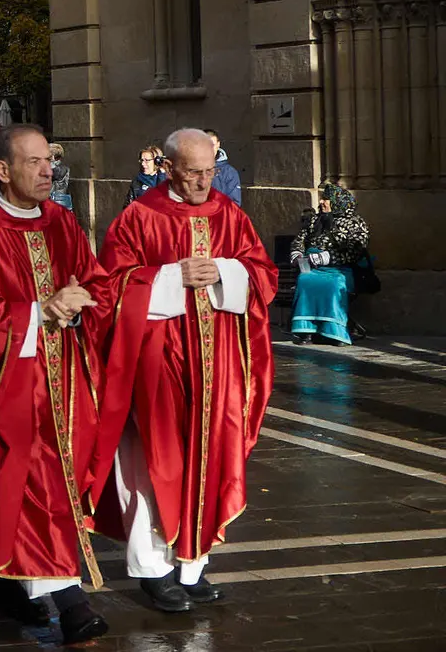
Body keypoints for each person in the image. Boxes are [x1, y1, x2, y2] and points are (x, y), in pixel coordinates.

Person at [0, 123, 111, 644]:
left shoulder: (63, 223)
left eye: (49, 159)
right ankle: (73, 604)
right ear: (3, 171)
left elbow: (92, 283)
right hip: (7, 385)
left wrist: (81, 304)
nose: (48, 169)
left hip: (64, 383)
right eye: (34, 162)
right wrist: (39, 311)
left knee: (45, 484)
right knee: (31, 484)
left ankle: (2, 585)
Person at [92, 128, 277, 613]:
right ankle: (153, 569)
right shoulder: (140, 216)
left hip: (219, 366)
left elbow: (263, 275)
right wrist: (171, 277)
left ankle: (193, 565)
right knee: (153, 463)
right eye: (192, 172)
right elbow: (109, 287)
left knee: (211, 457)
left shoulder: (230, 215)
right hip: (159, 364)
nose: (201, 182)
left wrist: (226, 272)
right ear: (169, 167)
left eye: (209, 171)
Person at [290, 182, 370, 345]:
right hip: (312, 268)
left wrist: (325, 257)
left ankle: (333, 332)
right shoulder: (314, 221)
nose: (321, 202)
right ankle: (306, 330)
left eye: (325, 199)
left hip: (340, 270)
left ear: (337, 201)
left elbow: (356, 250)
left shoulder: (356, 223)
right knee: (305, 280)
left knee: (334, 285)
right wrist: (298, 255)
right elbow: (300, 241)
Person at [204, 129, 243, 206]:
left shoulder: (229, 172)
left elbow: (234, 205)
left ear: (218, 144)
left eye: (212, 145)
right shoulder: (189, 169)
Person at [48, 143, 73, 211]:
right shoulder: (65, 168)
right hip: (61, 201)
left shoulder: (60, 169)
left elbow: (55, 174)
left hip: (56, 201)